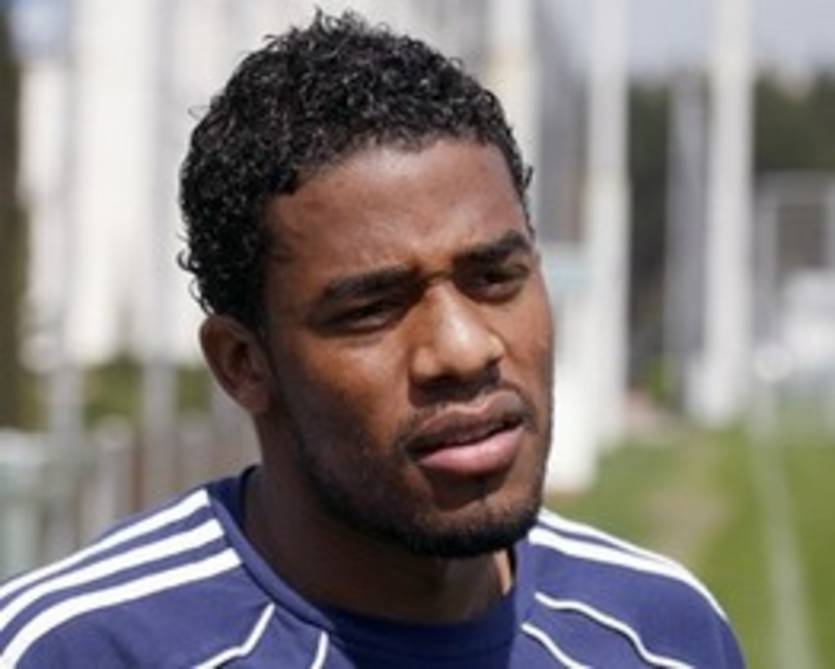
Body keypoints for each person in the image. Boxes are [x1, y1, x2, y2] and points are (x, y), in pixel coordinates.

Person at [0, 11, 745, 668]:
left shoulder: (666, 635)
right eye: (372, 308)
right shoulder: (71, 650)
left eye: (495, 278)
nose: (462, 349)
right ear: (243, 364)